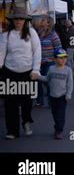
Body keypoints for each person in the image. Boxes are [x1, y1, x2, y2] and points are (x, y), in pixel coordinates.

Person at [0, 9, 41, 139]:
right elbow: (1, 53)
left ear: (25, 21)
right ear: (12, 20)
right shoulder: (6, 34)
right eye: (16, 19)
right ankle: (12, 130)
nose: (18, 21)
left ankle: (26, 121)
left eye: (21, 19)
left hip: (27, 72)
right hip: (9, 71)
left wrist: (36, 69)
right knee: (10, 103)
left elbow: (37, 51)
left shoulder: (31, 33)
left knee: (27, 101)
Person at [31, 49, 73, 140]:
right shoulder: (51, 69)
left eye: (65, 58)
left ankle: (59, 131)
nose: (63, 60)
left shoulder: (68, 70)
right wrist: (38, 77)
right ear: (54, 59)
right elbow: (47, 79)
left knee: (60, 114)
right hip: (52, 96)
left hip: (62, 96)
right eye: (60, 58)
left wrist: (68, 94)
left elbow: (70, 84)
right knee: (54, 113)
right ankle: (57, 126)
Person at [33, 15, 63, 107]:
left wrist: (56, 61)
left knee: (49, 82)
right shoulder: (39, 33)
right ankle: (39, 101)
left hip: (49, 62)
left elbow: (58, 49)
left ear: (48, 23)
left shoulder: (53, 35)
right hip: (38, 62)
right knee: (37, 81)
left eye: (43, 20)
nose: (41, 22)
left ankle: (51, 102)